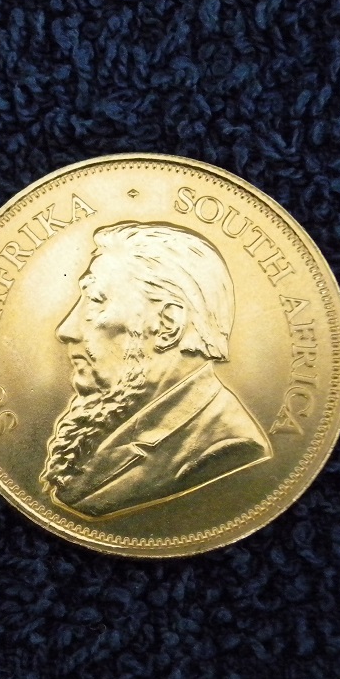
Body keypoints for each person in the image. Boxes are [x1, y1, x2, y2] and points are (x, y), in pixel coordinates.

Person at [40, 221, 271, 518]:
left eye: (96, 300)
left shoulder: (230, 448)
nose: (66, 330)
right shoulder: (112, 415)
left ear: (167, 325)